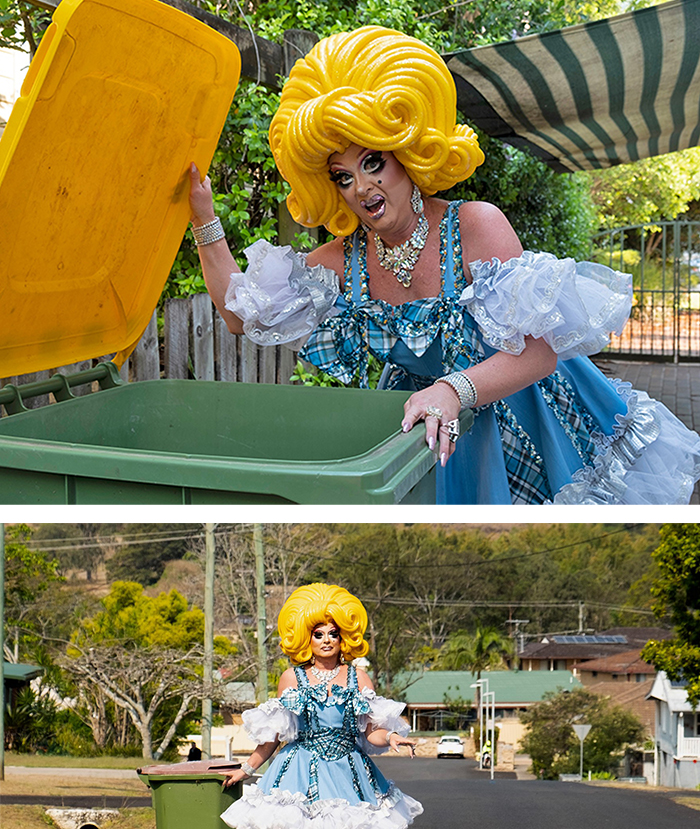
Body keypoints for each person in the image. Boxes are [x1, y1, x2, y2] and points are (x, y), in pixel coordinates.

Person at [188, 25, 700, 505]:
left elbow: (539, 356)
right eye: (343, 177)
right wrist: (204, 219)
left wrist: (455, 388)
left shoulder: (476, 226)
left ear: (407, 153)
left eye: (372, 163)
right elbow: (240, 314)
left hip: (536, 418)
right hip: (435, 437)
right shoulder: (342, 262)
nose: (362, 187)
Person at [219, 583, 422, 829]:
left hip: (346, 769)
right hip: (301, 769)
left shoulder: (358, 680)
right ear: (305, 638)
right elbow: (274, 737)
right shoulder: (291, 679)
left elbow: (369, 731)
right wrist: (244, 769)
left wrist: (393, 736)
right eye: (318, 634)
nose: (327, 640)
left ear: (346, 637)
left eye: (333, 633)